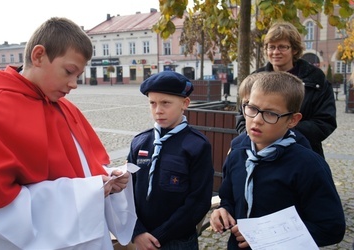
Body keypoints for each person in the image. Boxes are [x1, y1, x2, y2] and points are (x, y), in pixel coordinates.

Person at [0, 17, 136, 249]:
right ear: (38, 55)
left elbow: (80, 165)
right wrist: (87, 191)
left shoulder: (63, 105)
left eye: (78, 76)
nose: (74, 84)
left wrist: (108, 178)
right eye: (69, 71)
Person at [210, 71, 345, 249]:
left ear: (292, 120)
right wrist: (223, 210)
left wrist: (265, 236)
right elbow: (229, 198)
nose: (256, 120)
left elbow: (331, 228)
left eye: (271, 114)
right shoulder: (237, 153)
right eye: (252, 108)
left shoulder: (308, 165)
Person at [127, 71, 214, 250]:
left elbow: (198, 201)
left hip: (178, 241)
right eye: (153, 103)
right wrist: (138, 231)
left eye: (166, 103)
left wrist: (160, 236)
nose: (158, 110)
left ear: (185, 104)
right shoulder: (140, 142)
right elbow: (127, 192)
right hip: (141, 239)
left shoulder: (196, 145)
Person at [236, 21, 337, 158]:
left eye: (282, 47)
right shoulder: (255, 78)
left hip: (302, 153)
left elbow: (325, 121)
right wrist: (251, 138)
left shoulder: (315, 78)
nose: (276, 52)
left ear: (294, 49)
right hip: (260, 154)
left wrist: (282, 134)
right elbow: (242, 115)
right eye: (271, 47)